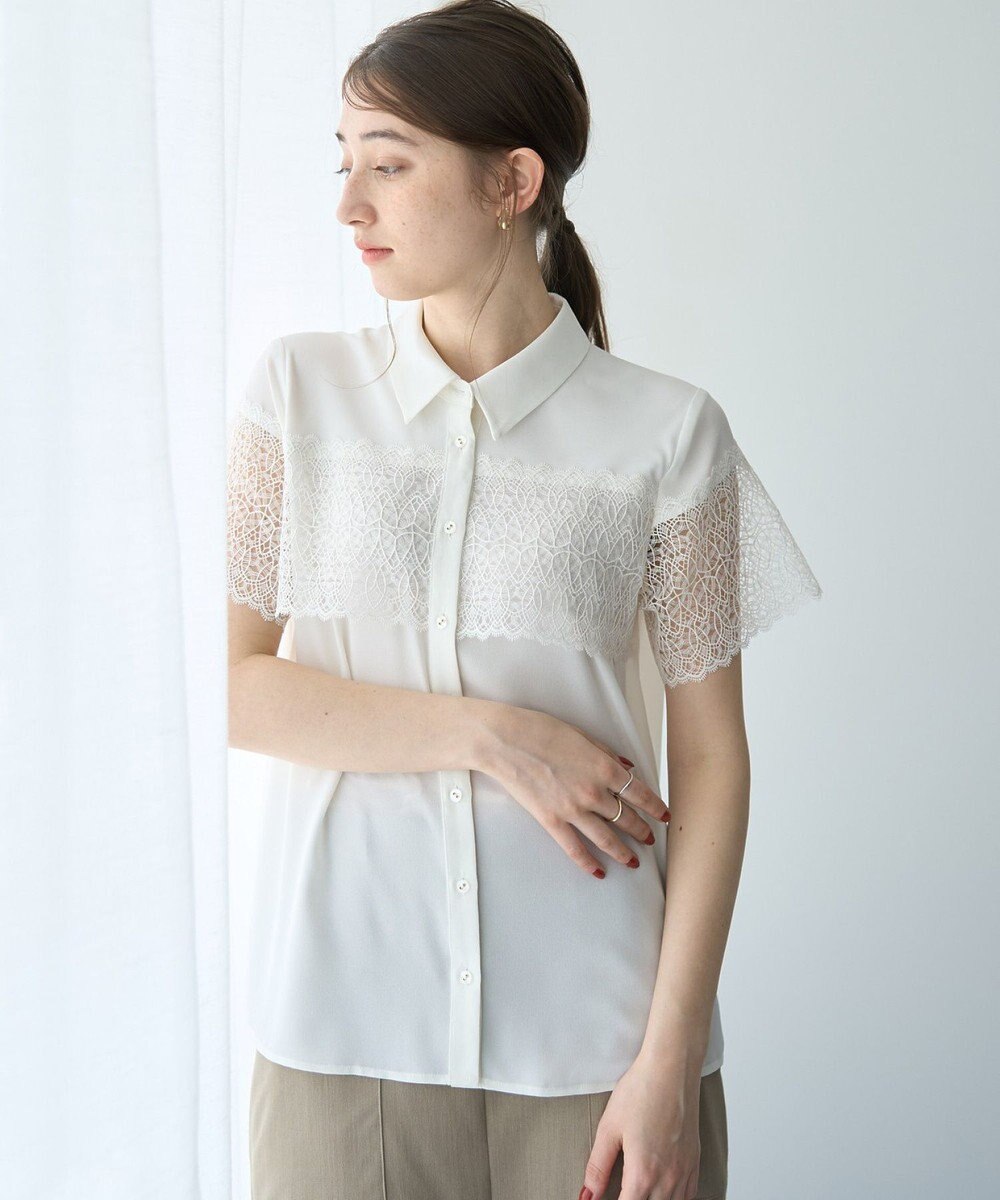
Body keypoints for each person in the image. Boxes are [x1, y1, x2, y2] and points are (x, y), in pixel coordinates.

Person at [226, 2, 823, 1198]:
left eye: (389, 166)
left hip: (602, 1052)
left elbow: (714, 760)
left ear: (512, 182)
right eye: (345, 165)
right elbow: (237, 690)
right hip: (343, 1036)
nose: (350, 207)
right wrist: (495, 736)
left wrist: (667, 1059)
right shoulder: (296, 395)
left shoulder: (669, 435)